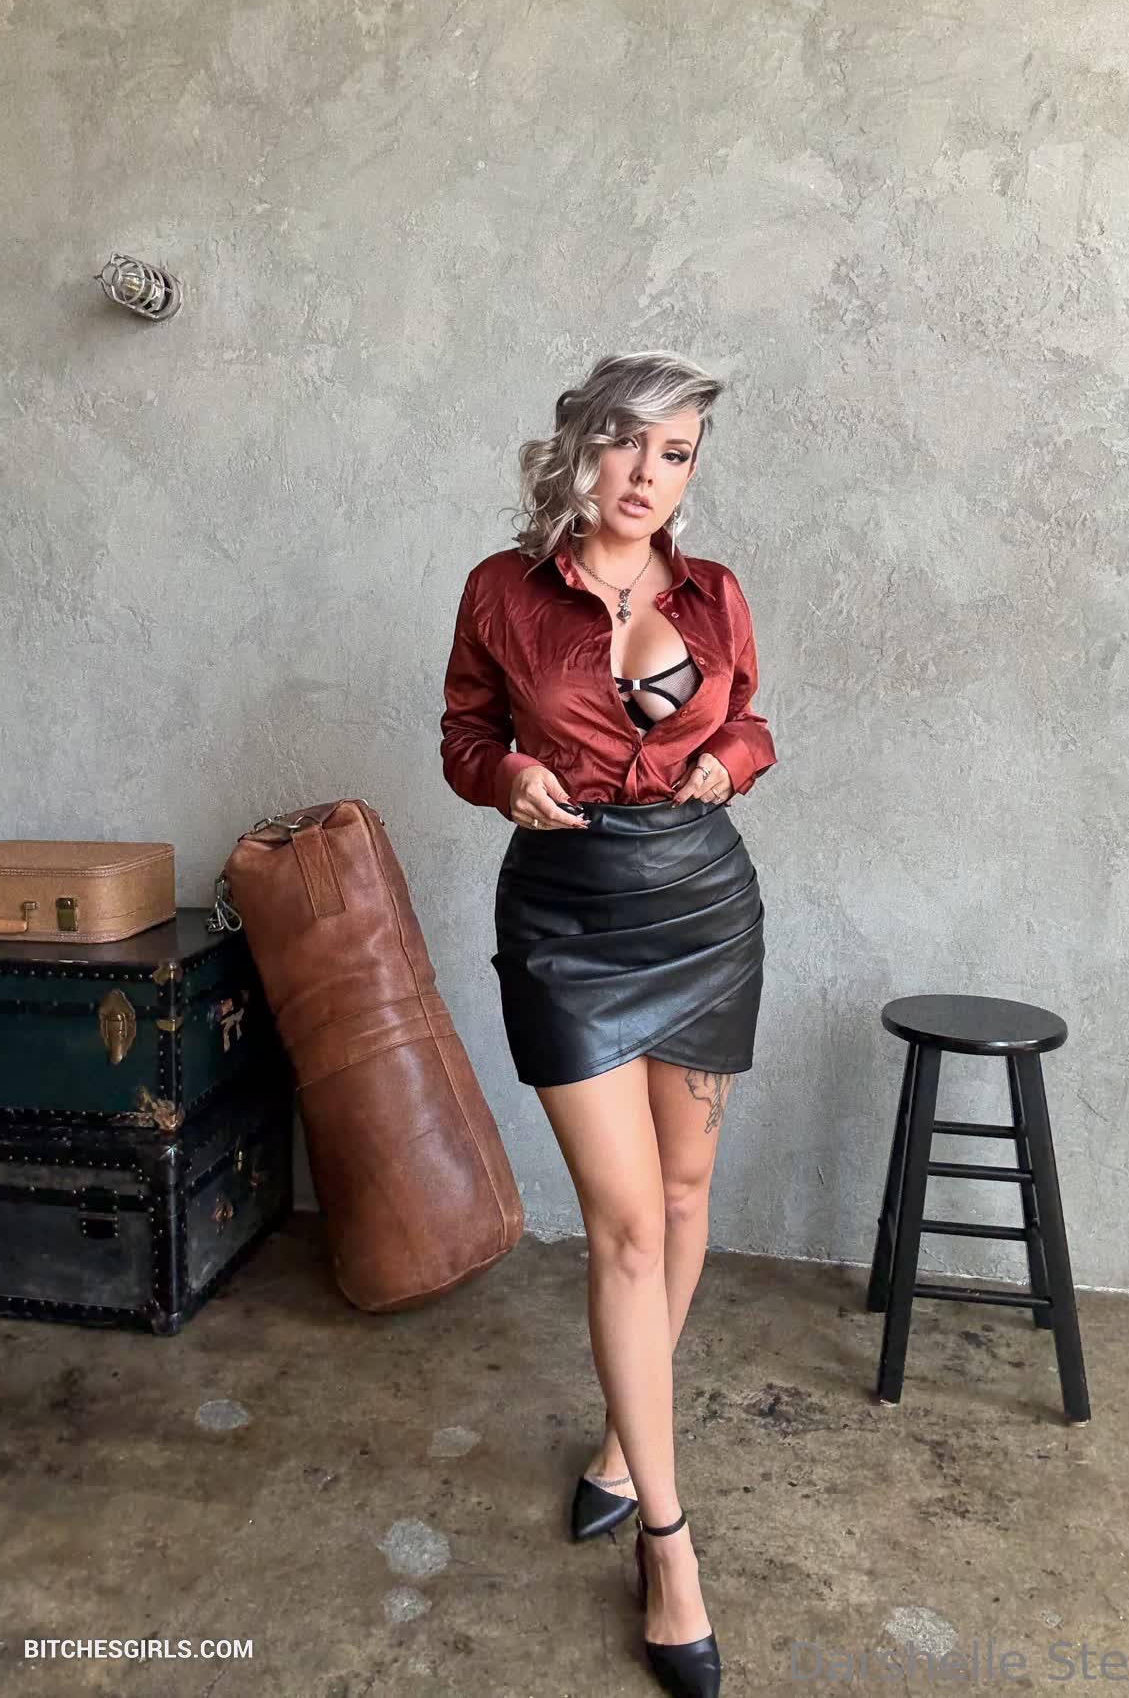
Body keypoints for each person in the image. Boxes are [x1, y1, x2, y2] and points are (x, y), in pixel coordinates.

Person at [439, 350, 777, 1698]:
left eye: (677, 453)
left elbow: (751, 724)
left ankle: (625, 1446)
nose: (649, 475)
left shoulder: (715, 593)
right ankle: (670, 1546)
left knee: (684, 1196)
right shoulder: (502, 592)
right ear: (581, 447)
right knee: (627, 1224)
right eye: (630, 444)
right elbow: (465, 735)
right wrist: (506, 776)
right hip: (569, 929)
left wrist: (726, 762)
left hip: (702, 911)